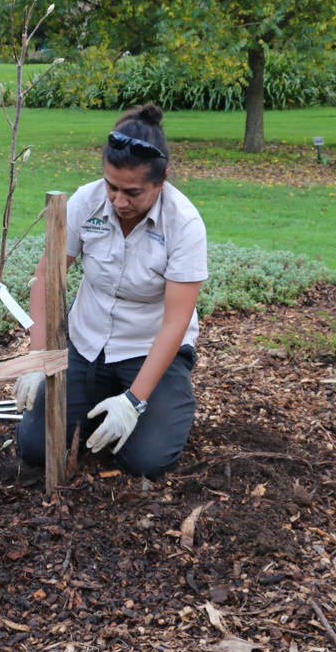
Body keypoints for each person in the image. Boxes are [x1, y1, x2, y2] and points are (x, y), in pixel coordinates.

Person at [14, 102, 208, 478]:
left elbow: (175, 324)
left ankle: (145, 402)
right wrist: (39, 357)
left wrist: (133, 401)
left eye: (133, 192)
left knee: (145, 461)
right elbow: (47, 278)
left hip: (149, 350)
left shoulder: (184, 224)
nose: (119, 201)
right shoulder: (86, 201)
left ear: (162, 178)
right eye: (112, 186)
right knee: (36, 447)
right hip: (85, 344)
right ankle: (96, 400)